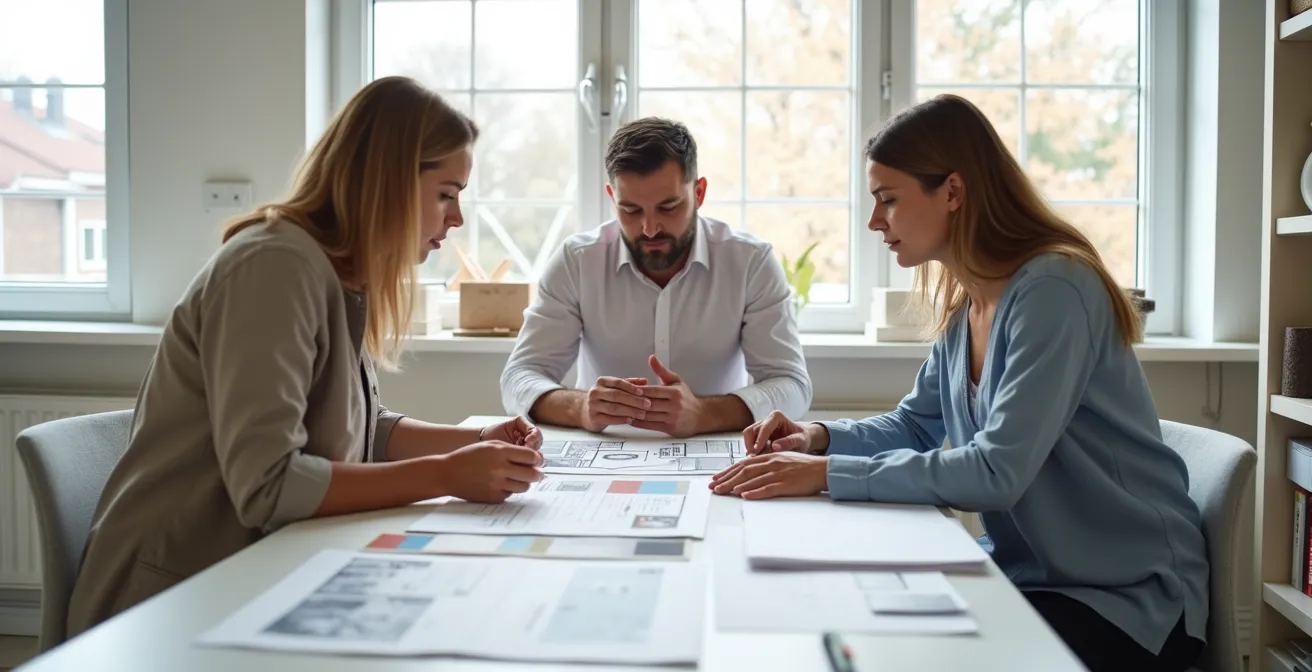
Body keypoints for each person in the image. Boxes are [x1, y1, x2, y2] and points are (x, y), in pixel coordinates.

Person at [709, 94, 1207, 672]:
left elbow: (995, 473)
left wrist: (824, 474)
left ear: (952, 191)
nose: (875, 222)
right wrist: (816, 437)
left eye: (888, 199)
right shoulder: (970, 304)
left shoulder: (1054, 290)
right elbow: (914, 424)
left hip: (1127, 598)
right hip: (1031, 577)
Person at [67, 76, 545, 637]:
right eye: (446, 193)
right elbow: (270, 487)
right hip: (168, 604)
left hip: (251, 575)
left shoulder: (337, 272)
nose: (457, 217)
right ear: (387, 180)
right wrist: (445, 474)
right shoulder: (274, 268)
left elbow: (362, 430)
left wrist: (473, 440)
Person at [499, 117, 812, 438]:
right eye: (631, 210)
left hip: (716, 451)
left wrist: (704, 414)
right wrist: (579, 408)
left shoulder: (750, 262)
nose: (649, 229)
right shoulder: (576, 262)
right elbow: (519, 377)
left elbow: (792, 385)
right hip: (602, 451)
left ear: (699, 192)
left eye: (668, 207)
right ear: (612, 197)